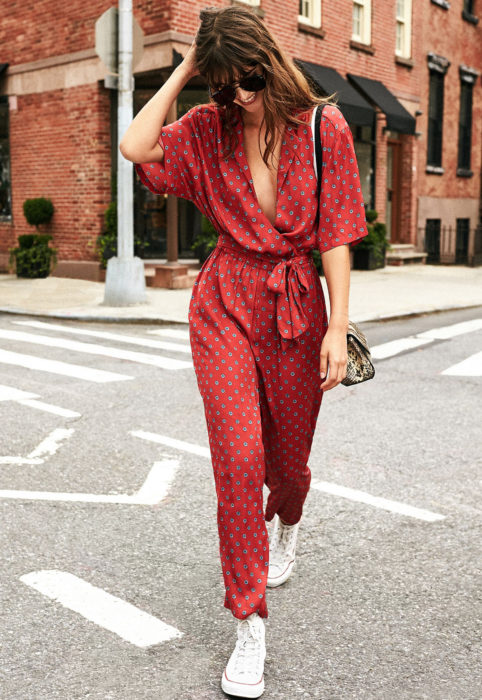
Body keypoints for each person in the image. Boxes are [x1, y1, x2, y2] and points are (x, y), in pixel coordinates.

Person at [120, 5, 368, 697]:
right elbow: (136, 148)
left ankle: (290, 516)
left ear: (271, 64)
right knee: (237, 461)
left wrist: (336, 327)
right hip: (224, 302)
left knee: (287, 462)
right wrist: (188, 71)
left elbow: (338, 234)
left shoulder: (325, 127)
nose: (241, 97)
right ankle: (249, 620)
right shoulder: (206, 127)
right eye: (226, 85)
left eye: (249, 81)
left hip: (296, 304)